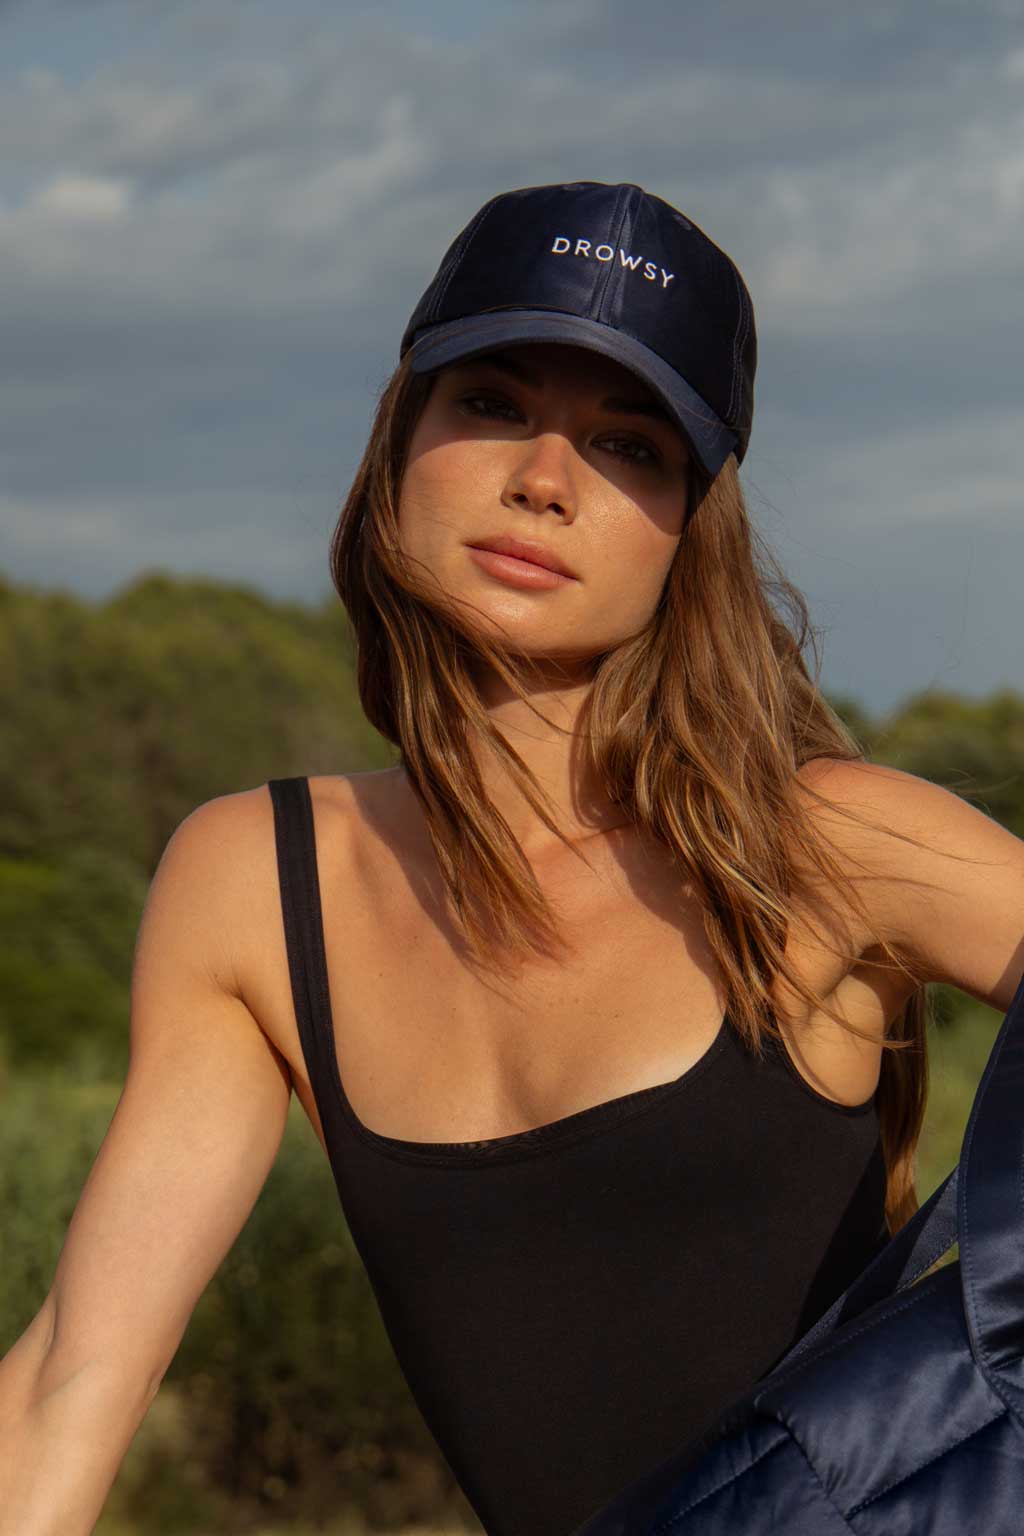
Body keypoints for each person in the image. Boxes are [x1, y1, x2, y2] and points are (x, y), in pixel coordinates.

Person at [3, 179, 1023, 1536]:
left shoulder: (824, 841)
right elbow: (76, 1368)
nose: (544, 482)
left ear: (687, 530)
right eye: (490, 403)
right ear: (400, 438)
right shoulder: (255, 883)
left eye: (629, 446)